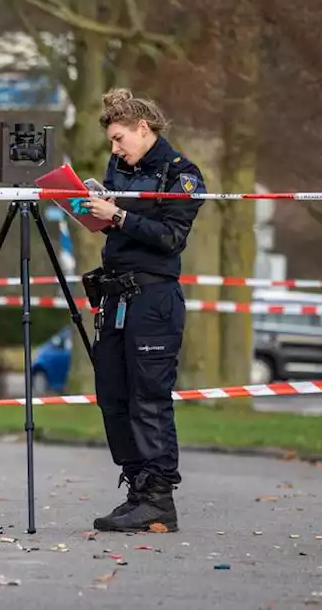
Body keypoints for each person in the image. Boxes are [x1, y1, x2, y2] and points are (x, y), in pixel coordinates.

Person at [73, 87, 205, 533]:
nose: (114, 149)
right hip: (115, 297)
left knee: (148, 398)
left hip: (153, 300)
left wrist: (119, 217)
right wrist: (91, 207)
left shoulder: (181, 174)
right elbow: (116, 221)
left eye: (118, 139)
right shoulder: (119, 169)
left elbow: (171, 237)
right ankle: (136, 488)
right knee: (112, 396)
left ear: (143, 129)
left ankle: (158, 497)